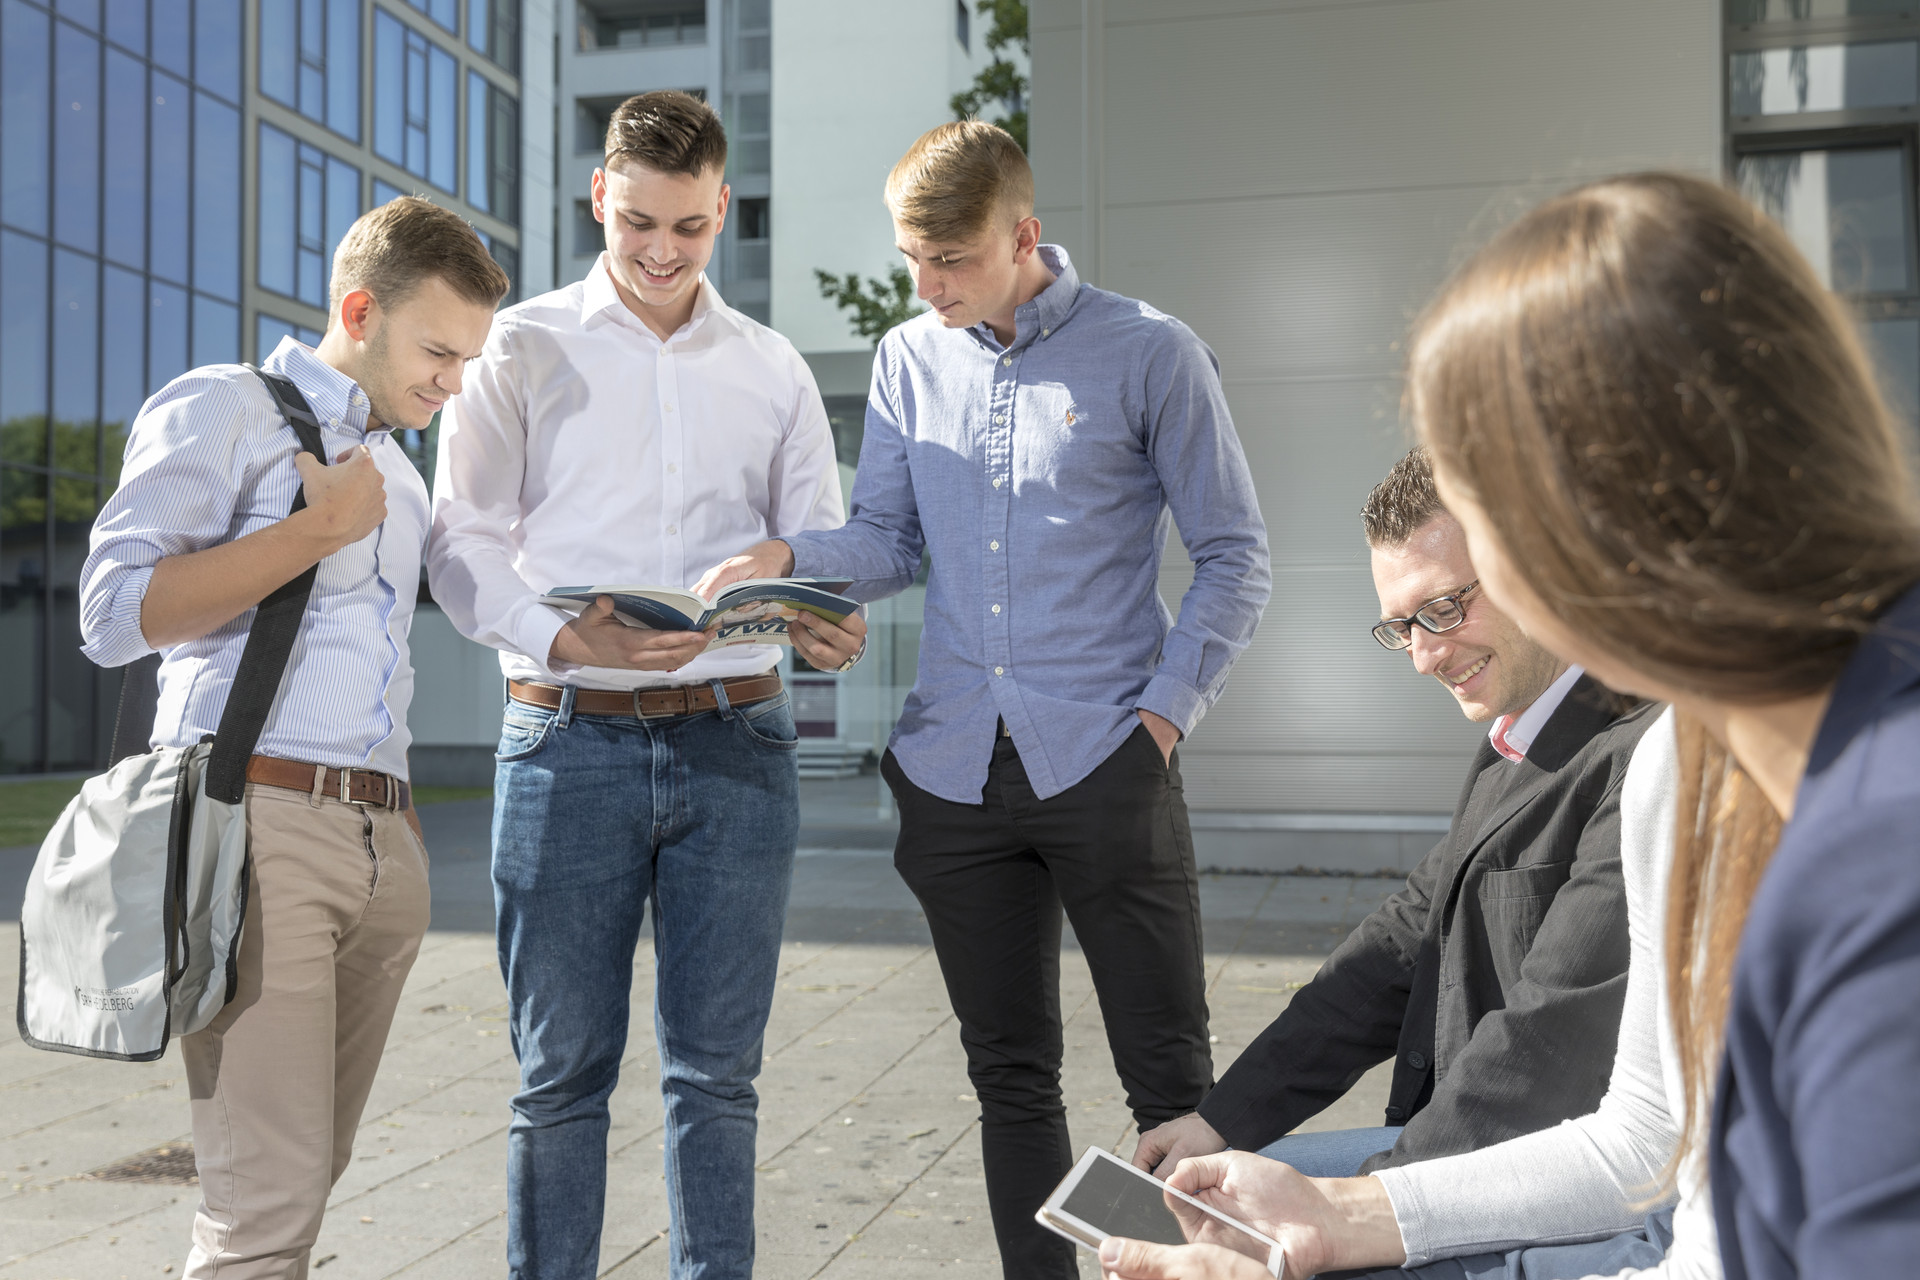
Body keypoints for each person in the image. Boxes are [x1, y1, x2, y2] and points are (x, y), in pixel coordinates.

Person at [1104, 171, 1920, 1280]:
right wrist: (1327, 1221)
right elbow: (1650, 1145)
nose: (1452, 628)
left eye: (1486, 525)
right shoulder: (1689, 759)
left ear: (1612, 499)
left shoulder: (1874, 842)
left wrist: (1360, 1217)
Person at [696, 120, 1272, 1280]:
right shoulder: (913, 357)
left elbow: (1234, 555)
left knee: (1173, 1083)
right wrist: (779, 555)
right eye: (914, 258)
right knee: (1011, 1076)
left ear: (1024, 234)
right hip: (956, 772)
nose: (928, 284)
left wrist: (1161, 719)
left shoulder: (1151, 353)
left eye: (951, 258)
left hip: (1108, 760)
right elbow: (890, 539)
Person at [424, 92, 861, 1280]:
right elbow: (461, 538)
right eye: (636, 225)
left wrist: (816, 608)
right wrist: (568, 644)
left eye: (689, 226)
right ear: (597, 202)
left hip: (738, 745)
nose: (663, 252)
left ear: (724, 206)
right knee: (559, 1075)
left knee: (717, 1076)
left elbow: (819, 541)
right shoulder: (520, 344)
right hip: (566, 741)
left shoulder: (770, 368)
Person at [77, 197, 507, 1278]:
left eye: (468, 359)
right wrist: (311, 530)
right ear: (360, 309)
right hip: (259, 830)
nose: (453, 381)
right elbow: (112, 612)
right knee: (262, 1201)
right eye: (438, 350)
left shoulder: (399, 472)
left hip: (383, 849)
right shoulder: (226, 406)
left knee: (308, 1171)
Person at [1134, 447, 1655, 1183]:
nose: (1423, 656)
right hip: (1462, 1143)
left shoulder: (1640, 756)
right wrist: (1224, 1118)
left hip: (1556, 1175)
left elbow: (1548, 1038)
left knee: (1224, 1217)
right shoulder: (1521, 732)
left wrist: (1364, 1210)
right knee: (1205, 1192)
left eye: (1444, 609)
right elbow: (1402, 943)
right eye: (1404, 626)